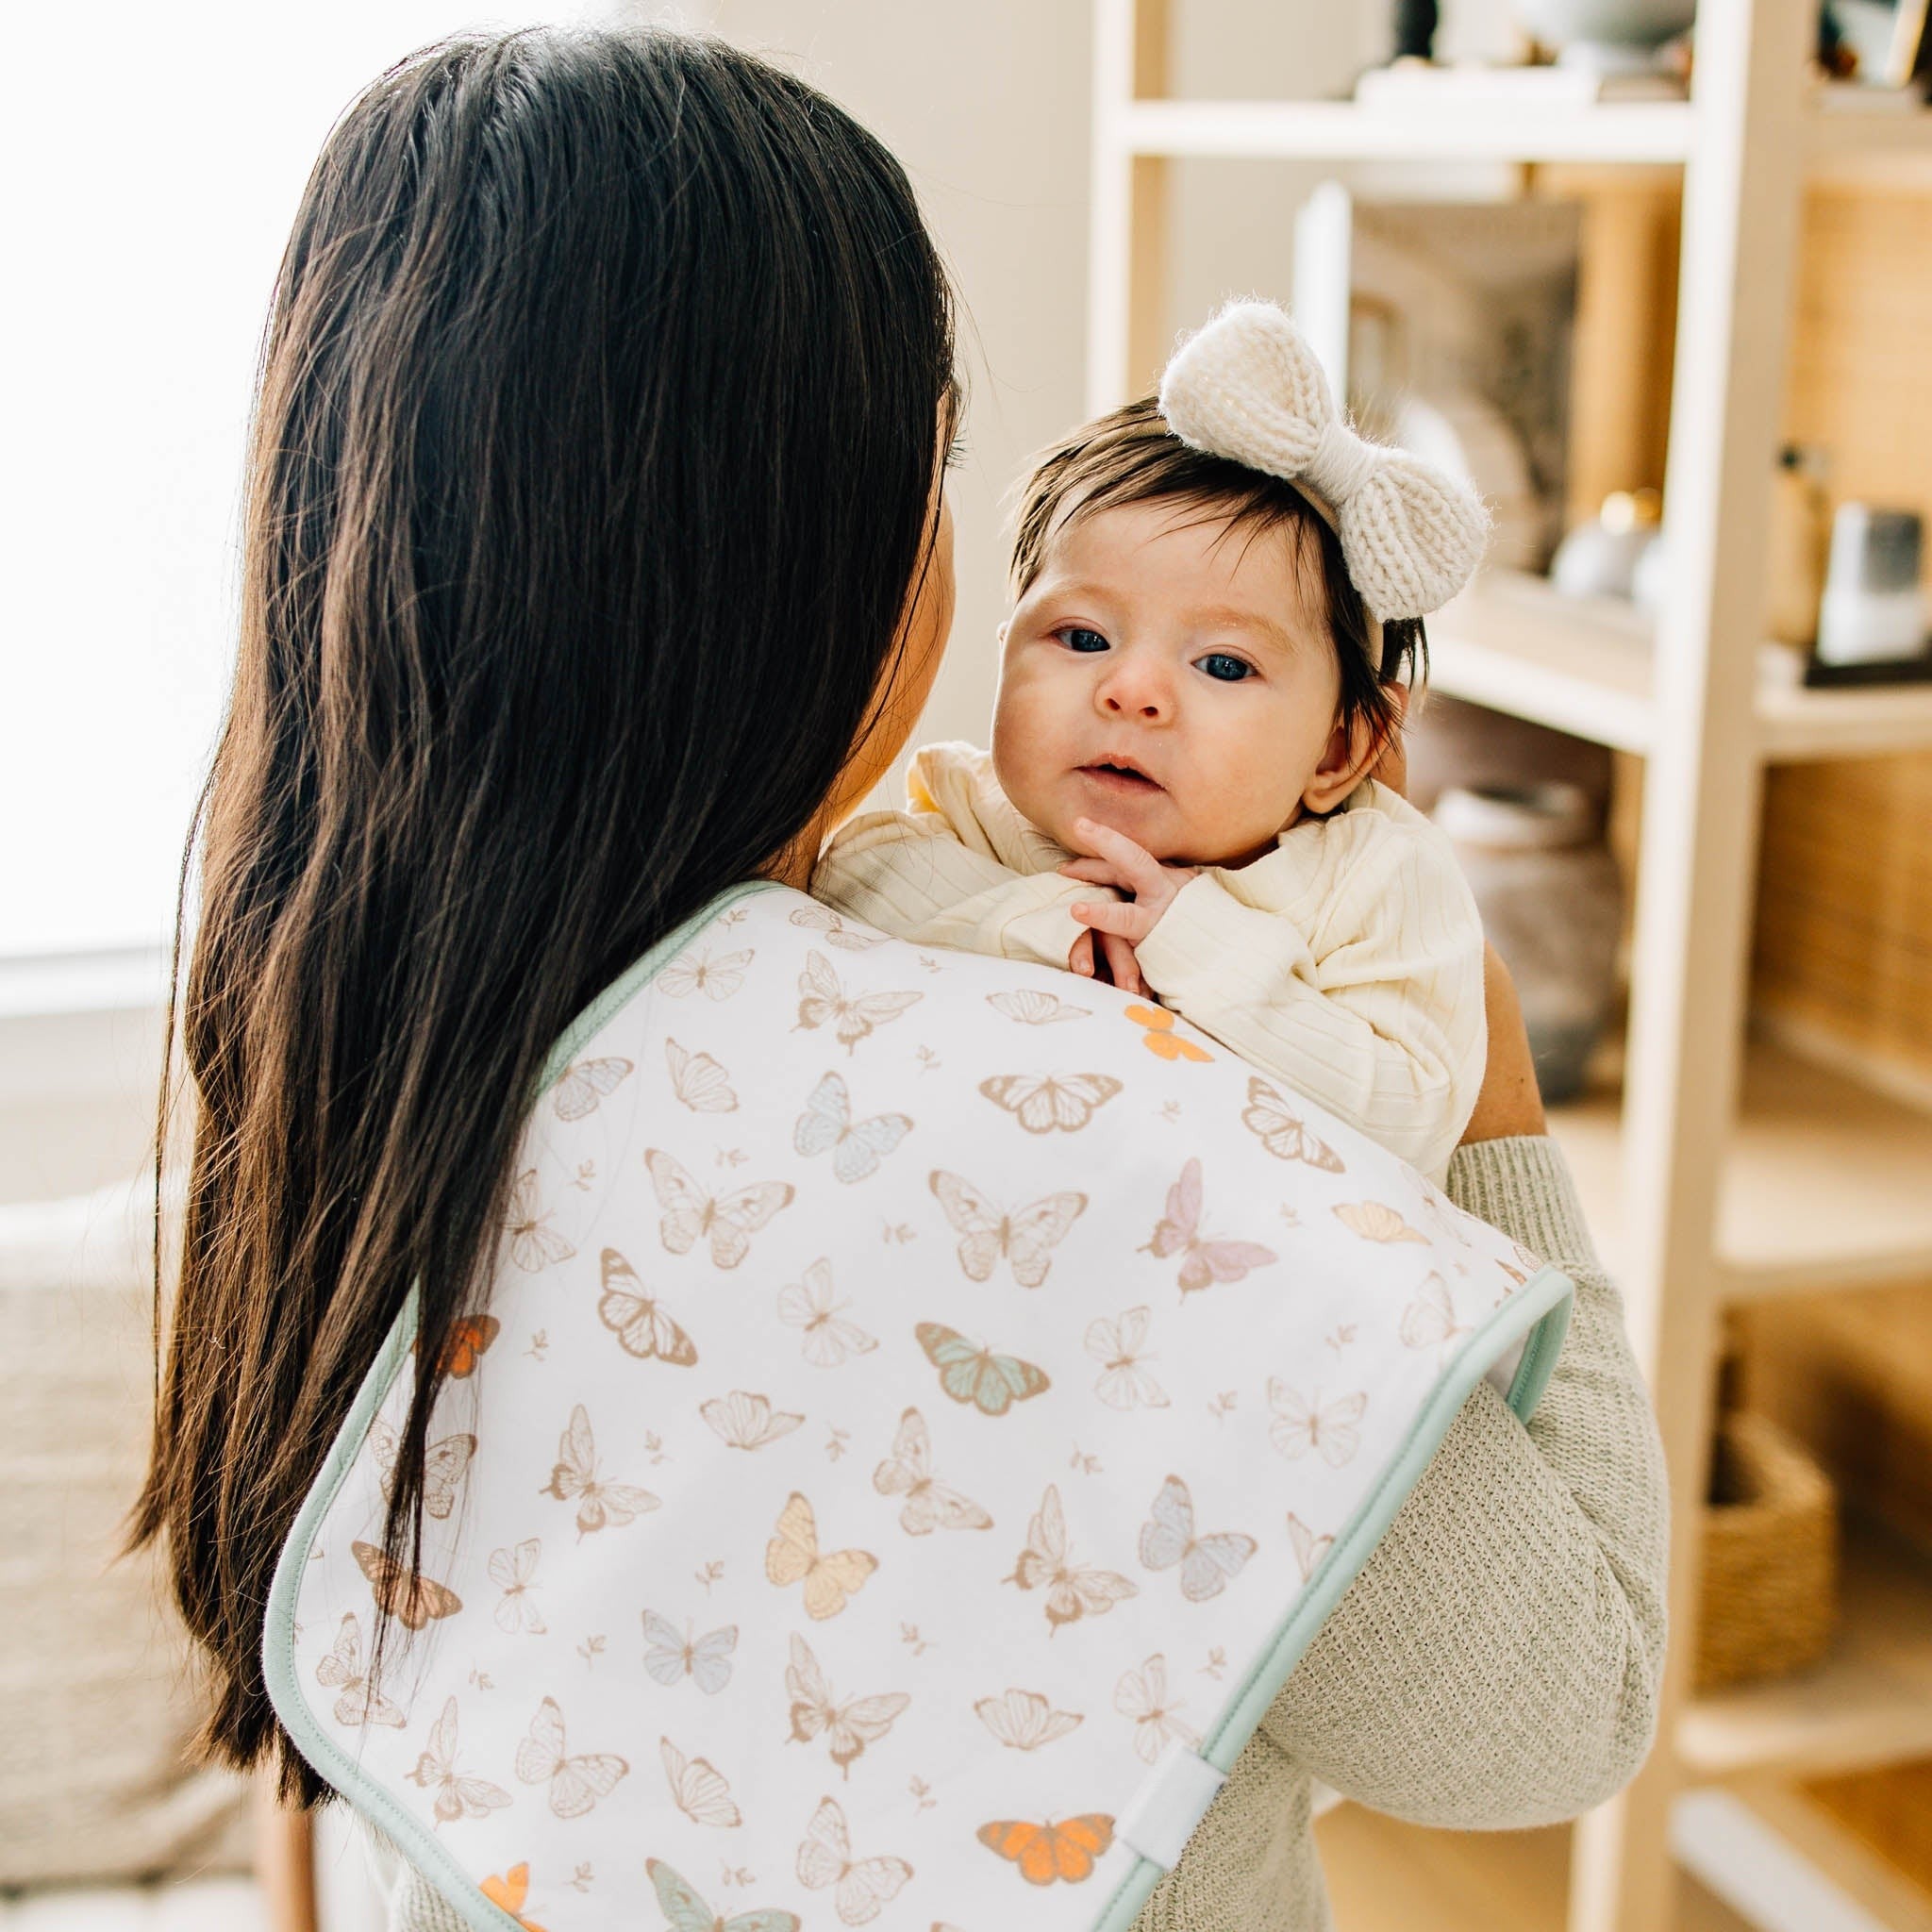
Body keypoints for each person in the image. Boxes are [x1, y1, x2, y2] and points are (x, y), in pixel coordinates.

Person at [136, 27, 1666, 1932]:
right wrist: (1496, 1092)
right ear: (794, 552)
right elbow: (1567, 1702)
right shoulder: (1096, 1124)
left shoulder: (358, 1014)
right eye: (936, 467)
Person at [814, 306, 1492, 1182]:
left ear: (1339, 751)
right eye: (1083, 639)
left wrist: (1196, 946)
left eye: (1222, 663)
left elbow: (1414, 1114)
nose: (1129, 691)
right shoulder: (984, 812)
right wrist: (1046, 921)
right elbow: (845, 886)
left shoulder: (1373, 878)